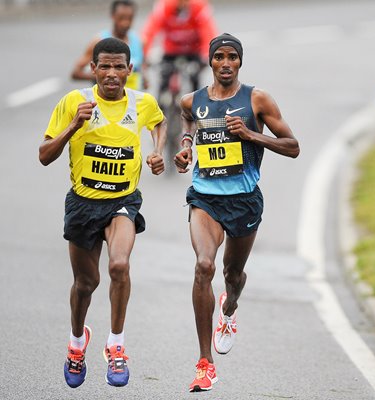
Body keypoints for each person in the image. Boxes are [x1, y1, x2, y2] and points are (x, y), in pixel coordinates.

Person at [174, 33, 300, 392]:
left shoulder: (256, 99)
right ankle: (204, 363)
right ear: (210, 62)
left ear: (240, 62)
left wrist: (250, 134)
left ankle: (229, 311)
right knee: (204, 265)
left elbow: (293, 147)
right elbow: (186, 118)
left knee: (233, 274)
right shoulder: (193, 100)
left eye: (232, 57)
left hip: (244, 200)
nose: (225, 63)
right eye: (219, 57)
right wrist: (186, 147)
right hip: (205, 199)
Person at [39, 37, 167, 388]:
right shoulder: (74, 102)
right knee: (86, 283)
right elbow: (44, 155)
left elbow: (159, 121)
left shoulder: (142, 102)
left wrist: (157, 151)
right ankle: (77, 344)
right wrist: (72, 128)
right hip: (82, 203)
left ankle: (116, 346)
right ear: (92, 69)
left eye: (118, 67)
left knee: (119, 265)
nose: (112, 74)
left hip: (122, 202)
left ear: (130, 70)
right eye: (104, 66)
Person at [142, 0, 218, 95]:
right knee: (164, 81)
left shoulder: (199, 7)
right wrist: (144, 54)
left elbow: (208, 33)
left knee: (195, 82)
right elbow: (150, 32)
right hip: (171, 51)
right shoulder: (164, 6)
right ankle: (162, 104)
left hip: (193, 51)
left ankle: (196, 104)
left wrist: (208, 55)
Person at [71, 0, 146, 90]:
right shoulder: (99, 41)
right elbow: (75, 73)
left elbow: (142, 67)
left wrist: (144, 79)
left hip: (133, 101)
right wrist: (103, 76)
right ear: (113, 16)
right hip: (105, 100)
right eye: (121, 18)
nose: (125, 23)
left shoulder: (139, 41)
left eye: (130, 18)